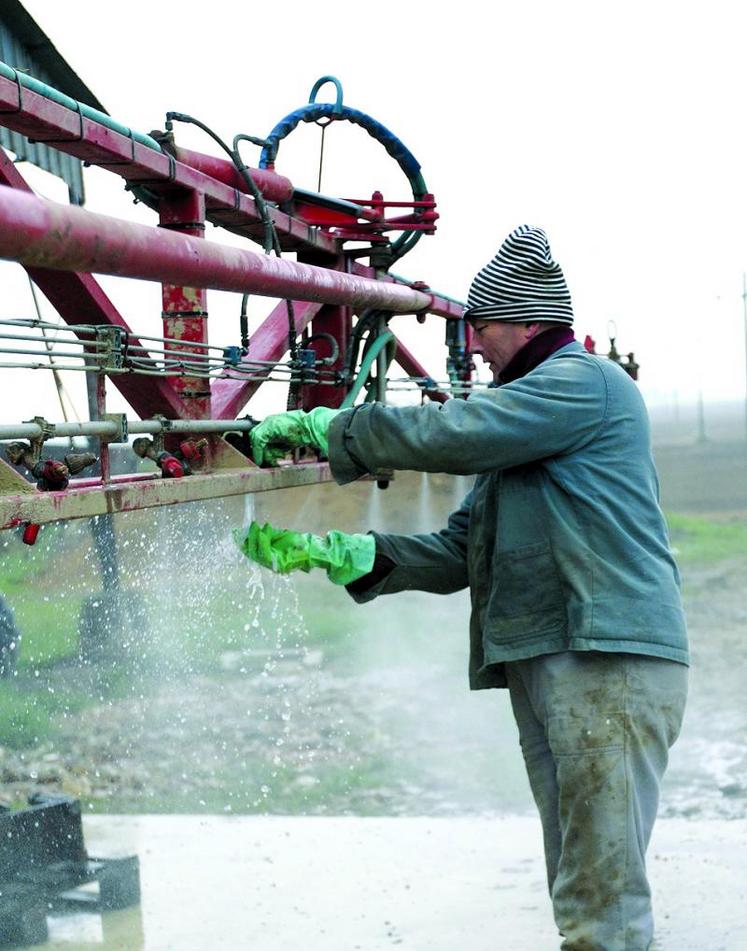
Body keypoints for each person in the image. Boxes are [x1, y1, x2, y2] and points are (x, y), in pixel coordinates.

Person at [238, 225, 689, 951]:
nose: (473, 346)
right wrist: (348, 554)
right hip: (555, 655)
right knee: (580, 877)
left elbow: (457, 431)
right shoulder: (523, 429)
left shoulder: (584, 384)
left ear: (526, 321)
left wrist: (336, 429)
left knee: (600, 894)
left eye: (481, 327)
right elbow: (460, 550)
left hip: (607, 656)